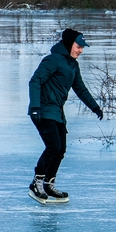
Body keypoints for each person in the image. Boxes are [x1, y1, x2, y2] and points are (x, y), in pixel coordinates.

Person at [28, 29, 103, 202]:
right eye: (78, 46)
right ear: (69, 44)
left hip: (57, 113)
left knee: (61, 149)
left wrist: (95, 107)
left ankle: (48, 184)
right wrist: (35, 107)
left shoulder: (72, 65)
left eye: (82, 47)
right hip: (43, 110)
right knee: (53, 146)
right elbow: (35, 81)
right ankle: (36, 183)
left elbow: (80, 89)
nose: (81, 50)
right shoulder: (53, 60)